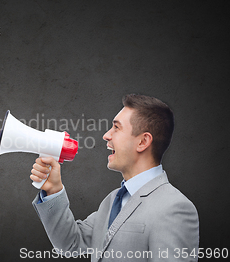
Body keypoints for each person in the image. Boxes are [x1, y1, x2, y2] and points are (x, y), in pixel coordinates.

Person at [31, 94, 199, 261]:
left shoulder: (175, 208)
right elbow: (70, 243)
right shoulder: (111, 201)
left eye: (116, 128)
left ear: (143, 142)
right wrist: (53, 189)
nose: (106, 135)